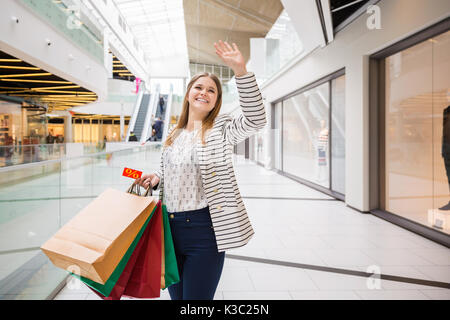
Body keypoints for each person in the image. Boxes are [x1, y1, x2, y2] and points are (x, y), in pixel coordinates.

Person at [135, 40, 266, 300]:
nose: (204, 92)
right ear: (188, 94)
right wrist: (157, 178)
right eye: (198, 87)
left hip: (204, 230)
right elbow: (167, 169)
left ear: (216, 100)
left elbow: (256, 118)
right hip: (169, 230)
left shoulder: (222, 128)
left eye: (211, 91)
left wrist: (240, 71)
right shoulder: (174, 133)